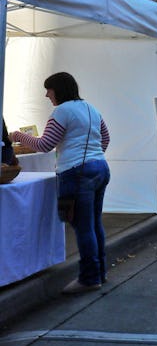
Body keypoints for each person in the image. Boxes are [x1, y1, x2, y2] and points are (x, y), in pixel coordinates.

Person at [11, 72, 111, 293]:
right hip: (101, 168)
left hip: (75, 173)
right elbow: (105, 138)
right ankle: (100, 272)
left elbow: (45, 144)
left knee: (81, 226)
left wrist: (17, 136)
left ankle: (89, 278)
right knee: (94, 223)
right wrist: (93, 157)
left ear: (59, 90)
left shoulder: (61, 111)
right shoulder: (91, 109)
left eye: (49, 90)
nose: (47, 94)